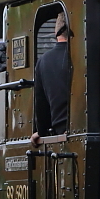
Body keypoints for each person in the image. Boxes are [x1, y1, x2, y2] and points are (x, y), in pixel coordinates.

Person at [31, 11, 72, 145]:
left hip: (60, 130)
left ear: (56, 31)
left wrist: (41, 132)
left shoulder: (44, 61)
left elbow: (41, 104)